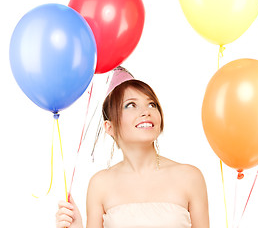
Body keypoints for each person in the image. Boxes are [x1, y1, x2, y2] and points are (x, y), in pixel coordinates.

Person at [56, 67, 209, 228]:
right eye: (130, 105)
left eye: (152, 104)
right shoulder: (100, 184)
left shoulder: (190, 177)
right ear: (110, 127)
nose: (146, 112)